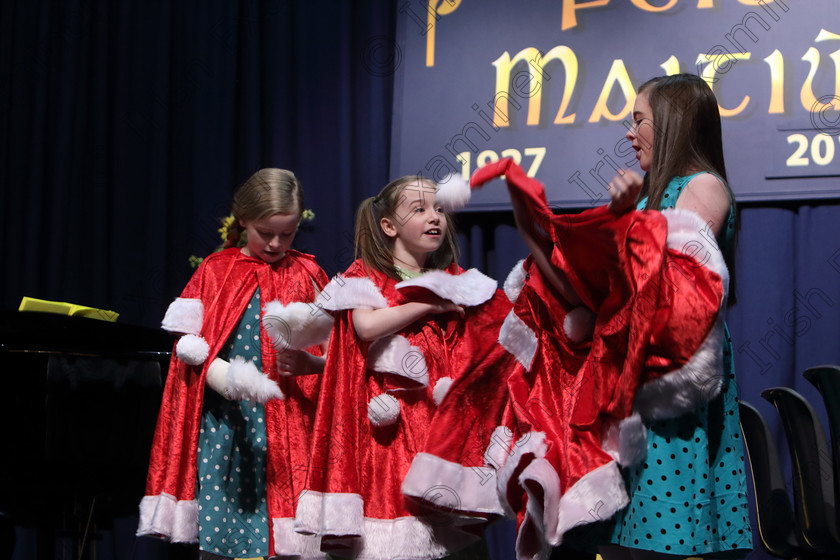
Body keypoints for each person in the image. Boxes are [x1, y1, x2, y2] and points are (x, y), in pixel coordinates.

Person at [294, 175, 506, 559]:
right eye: (420, 209)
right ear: (389, 226)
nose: (435, 218)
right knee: (398, 530)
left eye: (439, 209)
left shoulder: (455, 279)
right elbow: (366, 326)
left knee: (450, 541)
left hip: (441, 430)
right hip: (390, 435)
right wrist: (429, 303)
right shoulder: (366, 275)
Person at [137, 168, 332, 559]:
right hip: (229, 429)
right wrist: (221, 373)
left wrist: (313, 364)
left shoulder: (307, 273)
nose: (276, 243)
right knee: (228, 540)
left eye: (287, 234)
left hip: (293, 428)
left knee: (295, 542)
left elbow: (338, 354)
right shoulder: (216, 271)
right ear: (243, 220)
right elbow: (188, 350)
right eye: (266, 232)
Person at [598, 73, 752, 560]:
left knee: (667, 531)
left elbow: (673, 276)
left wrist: (626, 220)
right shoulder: (649, 192)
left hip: (676, 373)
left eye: (638, 120)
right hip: (635, 370)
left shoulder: (705, 187)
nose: (629, 133)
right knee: (624, 532)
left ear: (671, 124)